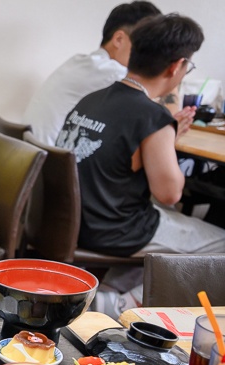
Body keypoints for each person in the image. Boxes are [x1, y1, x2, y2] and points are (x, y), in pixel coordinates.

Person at [55, 14, 225, 316]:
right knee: (220, 242)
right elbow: (169, 193)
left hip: (74, 221)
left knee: (169, 226)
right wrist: (166, 135)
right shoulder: (151, 116)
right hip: (115, 228)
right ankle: (119, 304)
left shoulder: (91, 100)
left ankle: (107, 291)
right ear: (176, 66)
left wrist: (165, 137)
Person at [24, 2, 162, 146]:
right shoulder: (111, 72)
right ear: (119, 39)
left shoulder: (80, 62)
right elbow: (157, 115)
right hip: (50, 157)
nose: (149, 55)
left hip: (31, 153)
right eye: (144, 45)